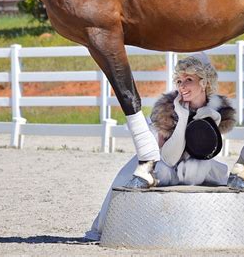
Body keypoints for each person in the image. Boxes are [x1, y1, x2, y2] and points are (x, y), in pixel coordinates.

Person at [85, 53, 236, 241]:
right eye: (180, 80)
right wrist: (181, 119)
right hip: (160, 161)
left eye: (189, 79)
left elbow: (205, 152)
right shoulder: (168, 109)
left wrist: (215, 120)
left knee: (213, 171)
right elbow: (168, 158)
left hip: (191, 164)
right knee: (131, 177)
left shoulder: (216, 108)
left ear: (204, 82)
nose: (182, 86)